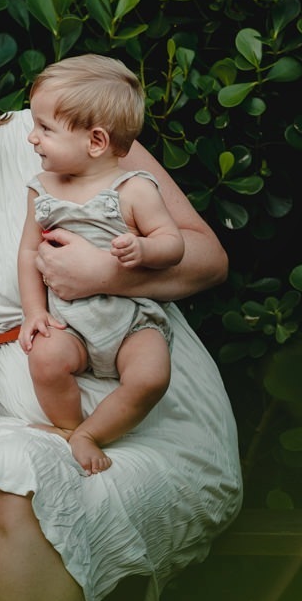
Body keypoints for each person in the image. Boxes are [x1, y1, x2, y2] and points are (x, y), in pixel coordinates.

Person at [0, 0, 243, 601]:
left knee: (10, 486)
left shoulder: (60, 132)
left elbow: (208, 258)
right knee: (0, 483)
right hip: (4, 415)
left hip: (142, 406)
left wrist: (111, 273)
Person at [17, 55, 184, 474]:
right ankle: (72, 428)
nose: (32, 139)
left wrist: (144, 252)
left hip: (131, 322)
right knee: (44, 358)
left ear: (95, 141)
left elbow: (173, 243)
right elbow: (27, 253)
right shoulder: (43, 190)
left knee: (150, 376)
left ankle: (95, 431)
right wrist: (35, 313)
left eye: (45, 128)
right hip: (70, 322)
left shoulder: (133, 190)